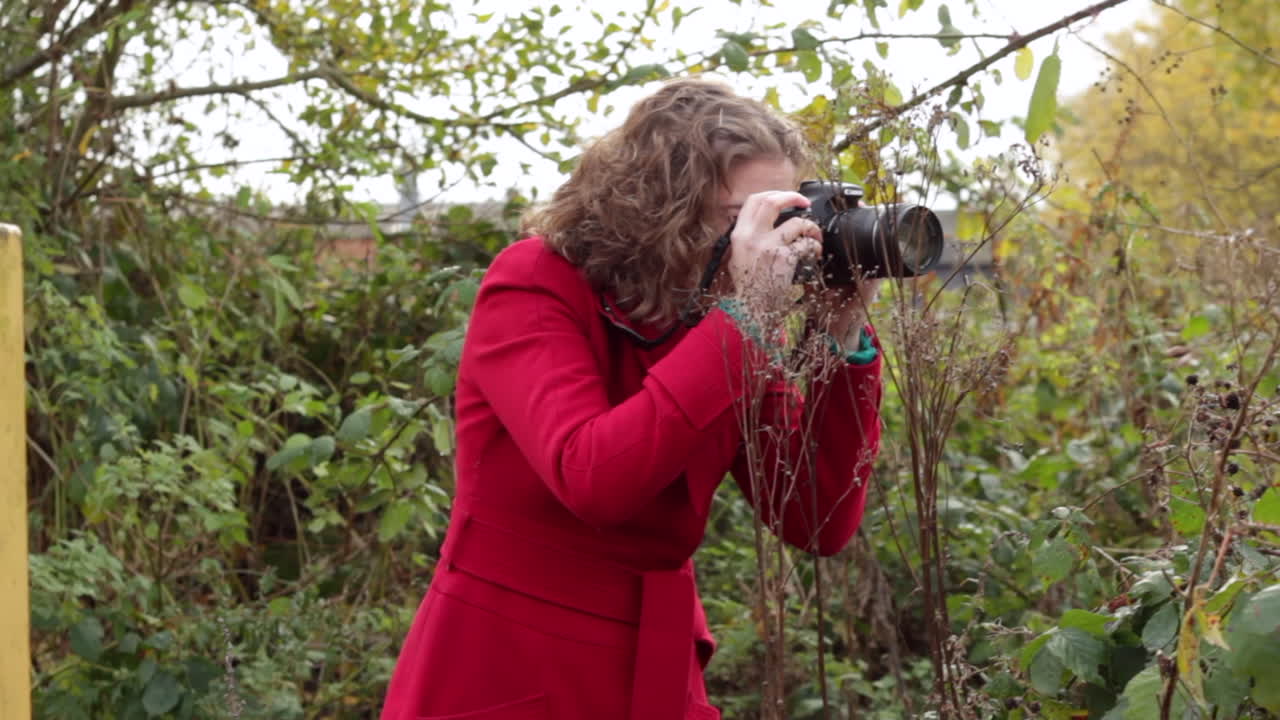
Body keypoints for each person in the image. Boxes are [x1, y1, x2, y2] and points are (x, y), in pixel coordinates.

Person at [380, 77, 883, 720]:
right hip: (509, 664)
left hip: (654, 665)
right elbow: (593, 478)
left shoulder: (725, 316)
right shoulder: (535, 281)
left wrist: (839, 335)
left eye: (780, 215)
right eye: (743, 218)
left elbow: (815, 516)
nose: (768, 242)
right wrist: (743, 322)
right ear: (658, 204)